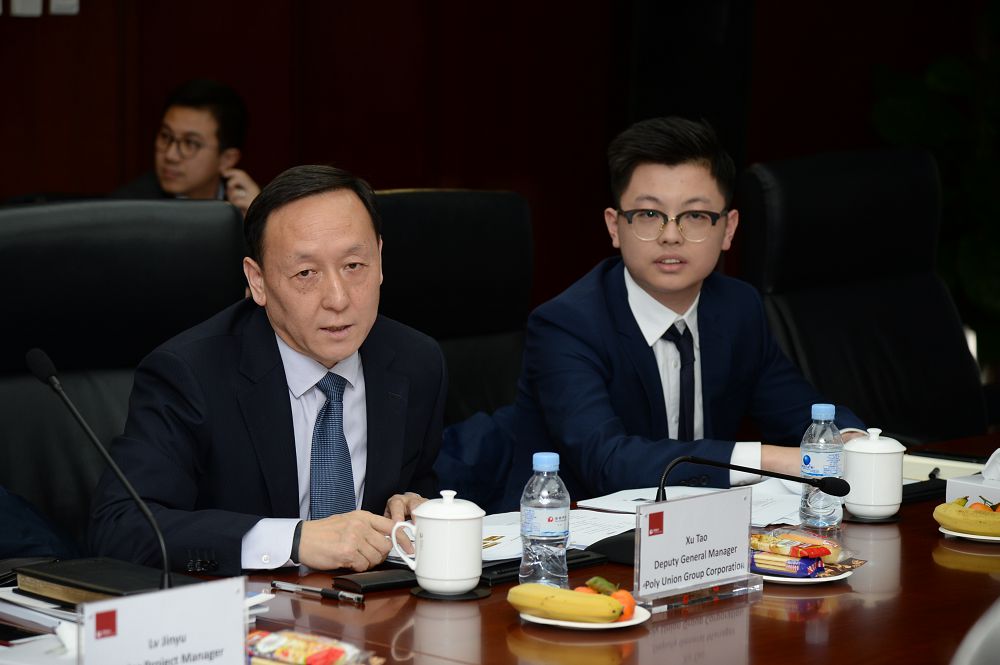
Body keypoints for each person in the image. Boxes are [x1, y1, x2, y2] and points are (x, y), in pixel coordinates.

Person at [90, 165, 446, 575]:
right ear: (257, 281)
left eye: (353, 265)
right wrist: (292, 540)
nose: (338, 298)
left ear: (380, 260)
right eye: (306, 273)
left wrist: (413, 506)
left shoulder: (416, 362)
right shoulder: (190, 375)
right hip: (249, 608)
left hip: (375, 606)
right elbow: (121, 527)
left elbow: (418, 482)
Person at [498, 116, 864, 509]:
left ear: (728, 229)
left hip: (704, 530)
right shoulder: (566, 325)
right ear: (614, 227)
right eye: (648, 215)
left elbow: (801, 410)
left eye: (695, 216)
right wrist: (772, 459)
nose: (671, 236)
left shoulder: (737, 308)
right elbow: (607, 462)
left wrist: (853, 443)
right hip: (576, 533)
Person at [112, 79, 260, 216]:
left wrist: (257, 222)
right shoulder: (127, 207)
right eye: (165, 136)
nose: (170, 155)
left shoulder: (253, 206)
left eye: (190, 143)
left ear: (227, 159)